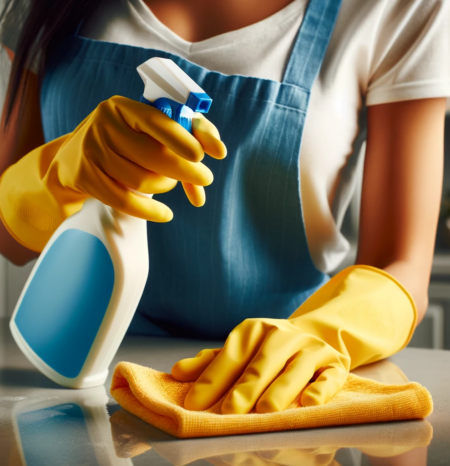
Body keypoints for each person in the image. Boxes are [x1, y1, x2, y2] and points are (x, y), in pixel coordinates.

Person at [0, 0, 449, 416]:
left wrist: (324, 333)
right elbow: (10, 244)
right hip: (55, 381)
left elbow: (401, 263)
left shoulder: (401, 7)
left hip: (267, 392)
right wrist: (55, 172)